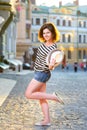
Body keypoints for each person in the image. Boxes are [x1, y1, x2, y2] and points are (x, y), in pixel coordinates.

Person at [25, 22, 64, 126]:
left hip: (42, 73)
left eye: (48, 33)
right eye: (44, 33)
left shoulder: (53, 49)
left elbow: (51, 66)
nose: (45, 35)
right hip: (38, 72)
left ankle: (53, 97)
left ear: (53, 33)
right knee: (42, 98)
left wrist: (51, 64)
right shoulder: (44, 44)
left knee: (28, 94)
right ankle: (47, 120)